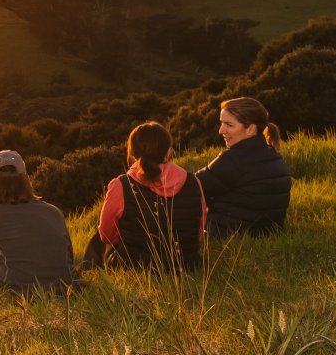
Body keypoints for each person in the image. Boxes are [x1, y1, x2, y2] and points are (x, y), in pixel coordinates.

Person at [84, 121, 205, 270]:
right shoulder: (193, 181)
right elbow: (199, 231)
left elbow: (106, 235)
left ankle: (85, 271)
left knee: (100, 234)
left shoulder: (121, 185)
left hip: (133, 266)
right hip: (187, 265)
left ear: (132, 152)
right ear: (168, 151)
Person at [0, 150, 75, 291]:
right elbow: (68, 254)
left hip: (17, 294)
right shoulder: (53, 211)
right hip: (62, 290)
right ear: (25, 179)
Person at [198, 95, 291, 236]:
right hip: (265, 234)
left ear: (250, 129)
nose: (221, 130)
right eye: (222, 123)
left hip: (228, 234)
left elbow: (192, 187)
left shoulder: (234, 159)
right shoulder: (274, 155)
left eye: (229, 125)